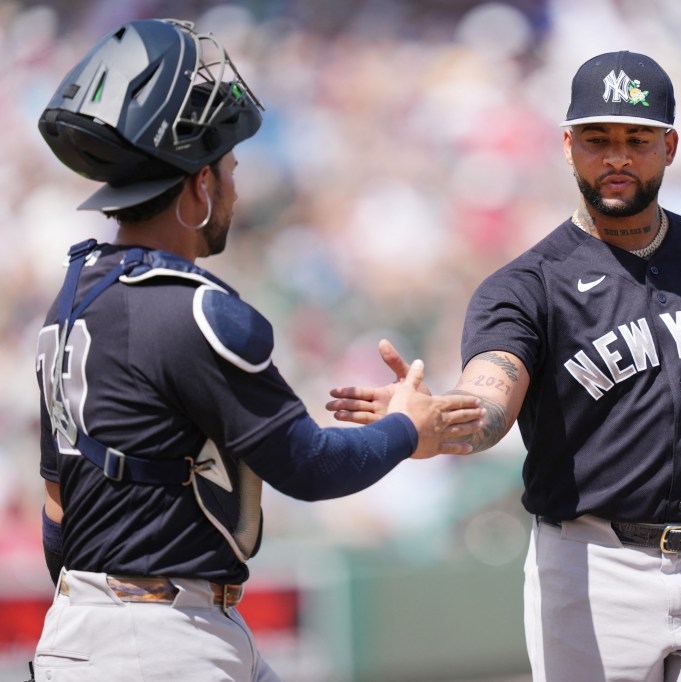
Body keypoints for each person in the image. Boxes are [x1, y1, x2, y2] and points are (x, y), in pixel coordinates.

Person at [328, 51, 681, 681]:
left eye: (637, 139)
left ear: (670, 146)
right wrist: (435, 423)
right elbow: (492, 397)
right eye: (598, 139)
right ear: (568, 146)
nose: (618, 157)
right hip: (589, 569)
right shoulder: (526, 286)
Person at [31, 18, 482, 682]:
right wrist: (404, 430)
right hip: (159, 643)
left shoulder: (72, 296)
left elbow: (55, 507)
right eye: (230, 167)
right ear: (199, 184)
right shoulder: (192, 308)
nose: (235, 189)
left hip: (87, 628)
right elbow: (309, 466)